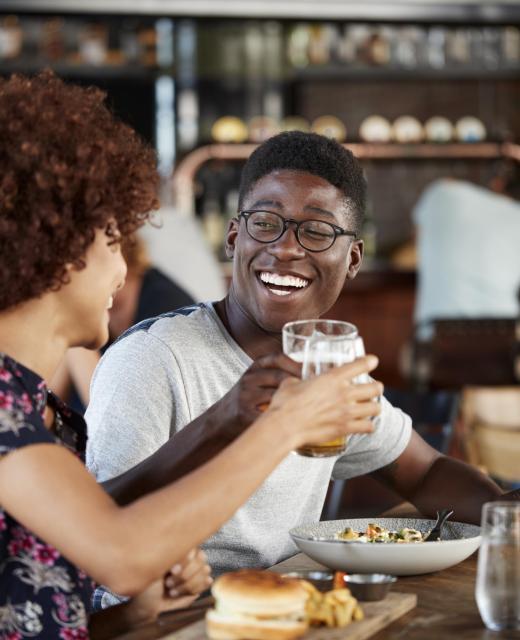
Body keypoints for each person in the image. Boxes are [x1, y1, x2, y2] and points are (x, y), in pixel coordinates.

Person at [0, 73, 380, 638]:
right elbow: (123, 553)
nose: (125, 269)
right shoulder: (6, 410)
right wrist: (285, 424)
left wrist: (133, 615)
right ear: (52, 246)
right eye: (111, 238)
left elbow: (37, 610)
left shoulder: (35, 407)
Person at [86, 131, 507, 589]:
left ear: (353, 259)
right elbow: (95, 527)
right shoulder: (151, 358)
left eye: (317, 231)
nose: (286, 248)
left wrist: (509, 516)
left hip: (289, 604)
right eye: (266, 222)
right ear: (234, 237)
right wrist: (226, 417)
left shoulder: (323, 367)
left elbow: (425, 472)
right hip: (171, 621)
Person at [51, 235, 194, 410]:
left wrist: (71, 318)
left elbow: (116, 413)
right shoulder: (95, 314)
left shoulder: (166, 309)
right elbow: (47, 405)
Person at [413, 176, 520, 336]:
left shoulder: (442, 192)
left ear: (498, 182)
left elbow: (416, 241)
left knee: (406, 353)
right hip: (504, 345)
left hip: (435, 342)